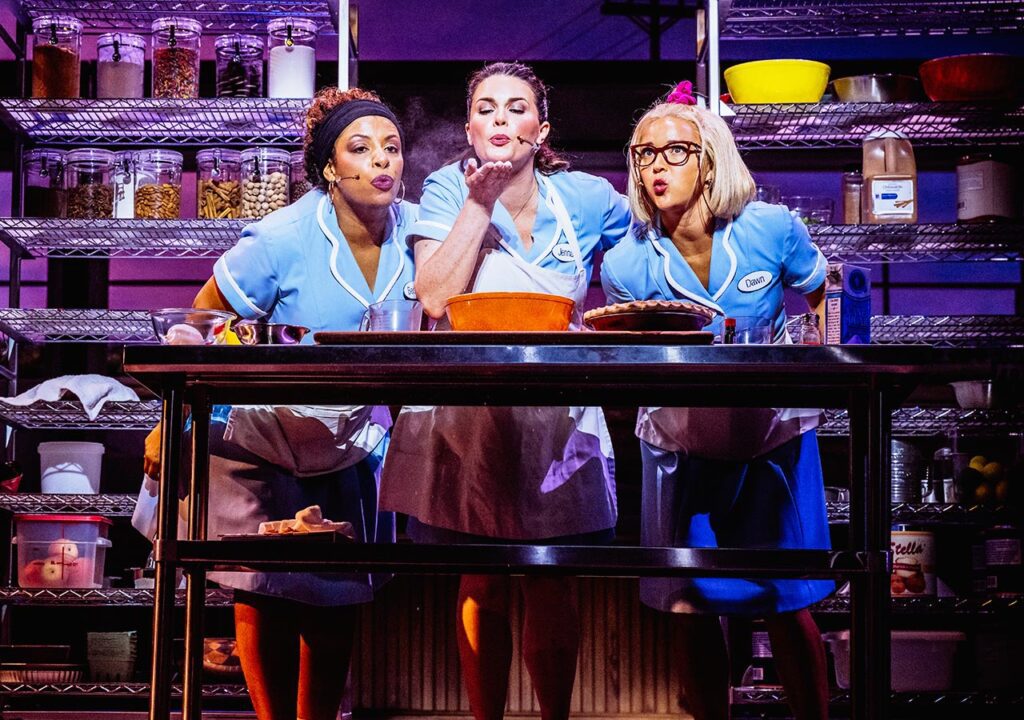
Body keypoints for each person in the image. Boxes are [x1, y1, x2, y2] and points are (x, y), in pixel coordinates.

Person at [141, 87, 418, 720]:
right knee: (262, 587)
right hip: (258, 438)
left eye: (392, 147)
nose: (381, 159)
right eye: (360, 148)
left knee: (336, 591)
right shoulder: (280, 238)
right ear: (329, 169)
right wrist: (169, 424)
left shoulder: (419, 236)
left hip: (348, 440)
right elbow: (197, 328)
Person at [378, 62, 631, 720]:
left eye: (516, 107)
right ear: (469, 129)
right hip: (473, 412)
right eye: (485, 108)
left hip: (559, 412)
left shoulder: (587, 197)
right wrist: (478, 203)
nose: (499, 118)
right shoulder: (446, 188)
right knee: (483, 576)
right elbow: (435, 296)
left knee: (553, 579)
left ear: (540, 130)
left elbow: (646, 242)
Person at [599, 82, 834, 720]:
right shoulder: (626, 264)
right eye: (644, 154)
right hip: (681, 441)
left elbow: (823, 291)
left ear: (710, 161)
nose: (657, 166)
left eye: (675, 151)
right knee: (690, 602)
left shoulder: (770, 228)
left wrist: (818, 355)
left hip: (771, 435)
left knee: (787, 599)